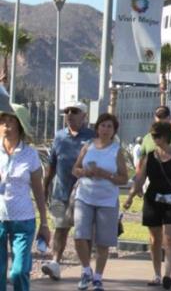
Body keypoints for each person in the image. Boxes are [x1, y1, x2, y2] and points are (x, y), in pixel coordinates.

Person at [124, 121, 171, 289]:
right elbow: (139, 179)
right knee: (155, 239)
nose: (153, 138)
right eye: (152, 135)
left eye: (156, 136)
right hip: (153, 198)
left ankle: (168, 275)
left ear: (165, 136)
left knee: (170, 238)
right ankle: (157, 274)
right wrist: (130, 196)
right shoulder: (149, 157)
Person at [71, 113, 129, 291]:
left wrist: (105, 174)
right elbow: (75, 169)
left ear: (114, 131)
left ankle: (97, 277)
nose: (105, 129)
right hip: (85, 196)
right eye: (103, 125)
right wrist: (85, 172)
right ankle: (86, 270)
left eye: (109, 127)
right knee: (80, 235)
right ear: (97, 128)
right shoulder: (88, 146)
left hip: (107, 199)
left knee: (103, 242)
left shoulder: (117, 150)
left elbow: (124, 178)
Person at [0, 100, 51, 291]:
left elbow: (38, 191)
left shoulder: (30, 155)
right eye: (3, 120)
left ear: (20, 126)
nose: (6, 125)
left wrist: (44, 222)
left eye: (11, 121)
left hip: (23, 219)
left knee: (19, 271)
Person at [41, 100, 94, 281]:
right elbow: (51, 165)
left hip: (85, 194)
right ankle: (55, 263)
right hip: (61, 192)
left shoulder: (92, 137)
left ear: (84, 116)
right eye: (67, 111)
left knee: (83, 233)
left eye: (74, 111)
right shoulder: (59, 136)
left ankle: (86, 269)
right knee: (60, 229)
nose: (69, 114)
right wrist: (45, 187)